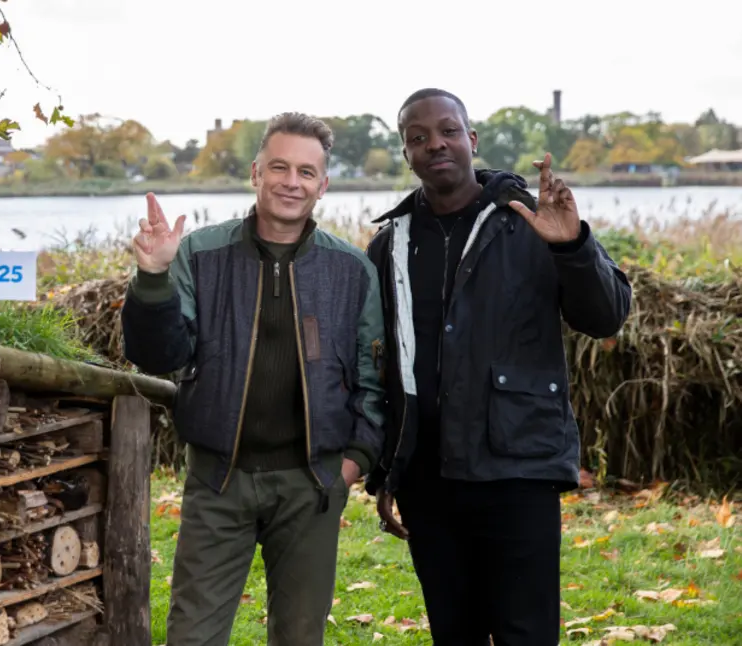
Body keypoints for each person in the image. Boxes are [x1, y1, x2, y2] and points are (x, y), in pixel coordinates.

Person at [362, 88, 633, 646]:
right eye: (418, 137)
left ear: (471, 139)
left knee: (524, 633)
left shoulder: (533, 222)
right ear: (406, 152)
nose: (435, 143)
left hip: (517, 468)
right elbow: (388, 369)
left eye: (447, 130)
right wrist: (389, 469)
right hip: (427, 479)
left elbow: (606, 316)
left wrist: (572, 246)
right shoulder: (389, 245)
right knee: (453, 633)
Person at [119, 112, 387, 646]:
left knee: (299, 636)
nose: (292, 182)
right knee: (193, 635)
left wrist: (352, 465)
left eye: (307, 172)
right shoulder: (200, 254)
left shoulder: (352, 269)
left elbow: (372, 380)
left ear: (323, 185)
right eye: (280, 167)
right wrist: (152, 278)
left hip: (312, 485)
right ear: (255, 173)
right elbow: (158, 354)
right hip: (220, 480)